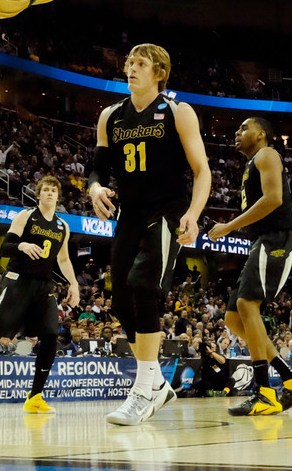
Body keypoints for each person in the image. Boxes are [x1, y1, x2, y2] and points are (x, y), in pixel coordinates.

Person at [88, 43, 210, 426]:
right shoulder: (110, 116)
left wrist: (192, 214)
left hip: (167, 211)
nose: (131, 68)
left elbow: (202, 171)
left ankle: (142, 391)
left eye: (140, 63)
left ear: (159, 72)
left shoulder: (177, 111)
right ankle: (157, 380)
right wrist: (94, 188)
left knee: (144, 285)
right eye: (128, 63)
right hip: (128, 214)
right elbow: (98, 171)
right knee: (122, 302)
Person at [208, 117, 292, 416]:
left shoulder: (266, 154)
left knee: (246, 303)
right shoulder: (253, 162)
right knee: (233, 318)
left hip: (277, 238)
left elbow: (274, 199)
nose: (237, 133)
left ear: (262, 134)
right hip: (262, 241)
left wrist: (229, 226)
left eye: (243, 128)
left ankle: (264, 392)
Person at [0, 178, 80, 414]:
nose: (50, 193)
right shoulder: (26, 216)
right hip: (17, 281)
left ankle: (35, 396)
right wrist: (22, 245)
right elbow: (5, 247)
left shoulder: (63, 226)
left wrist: (74, 284)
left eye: (53, 190)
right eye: (46, 190)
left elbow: (63, 259)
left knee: (51, 336)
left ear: (58, 196)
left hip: (43, 286)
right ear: (39, 195)